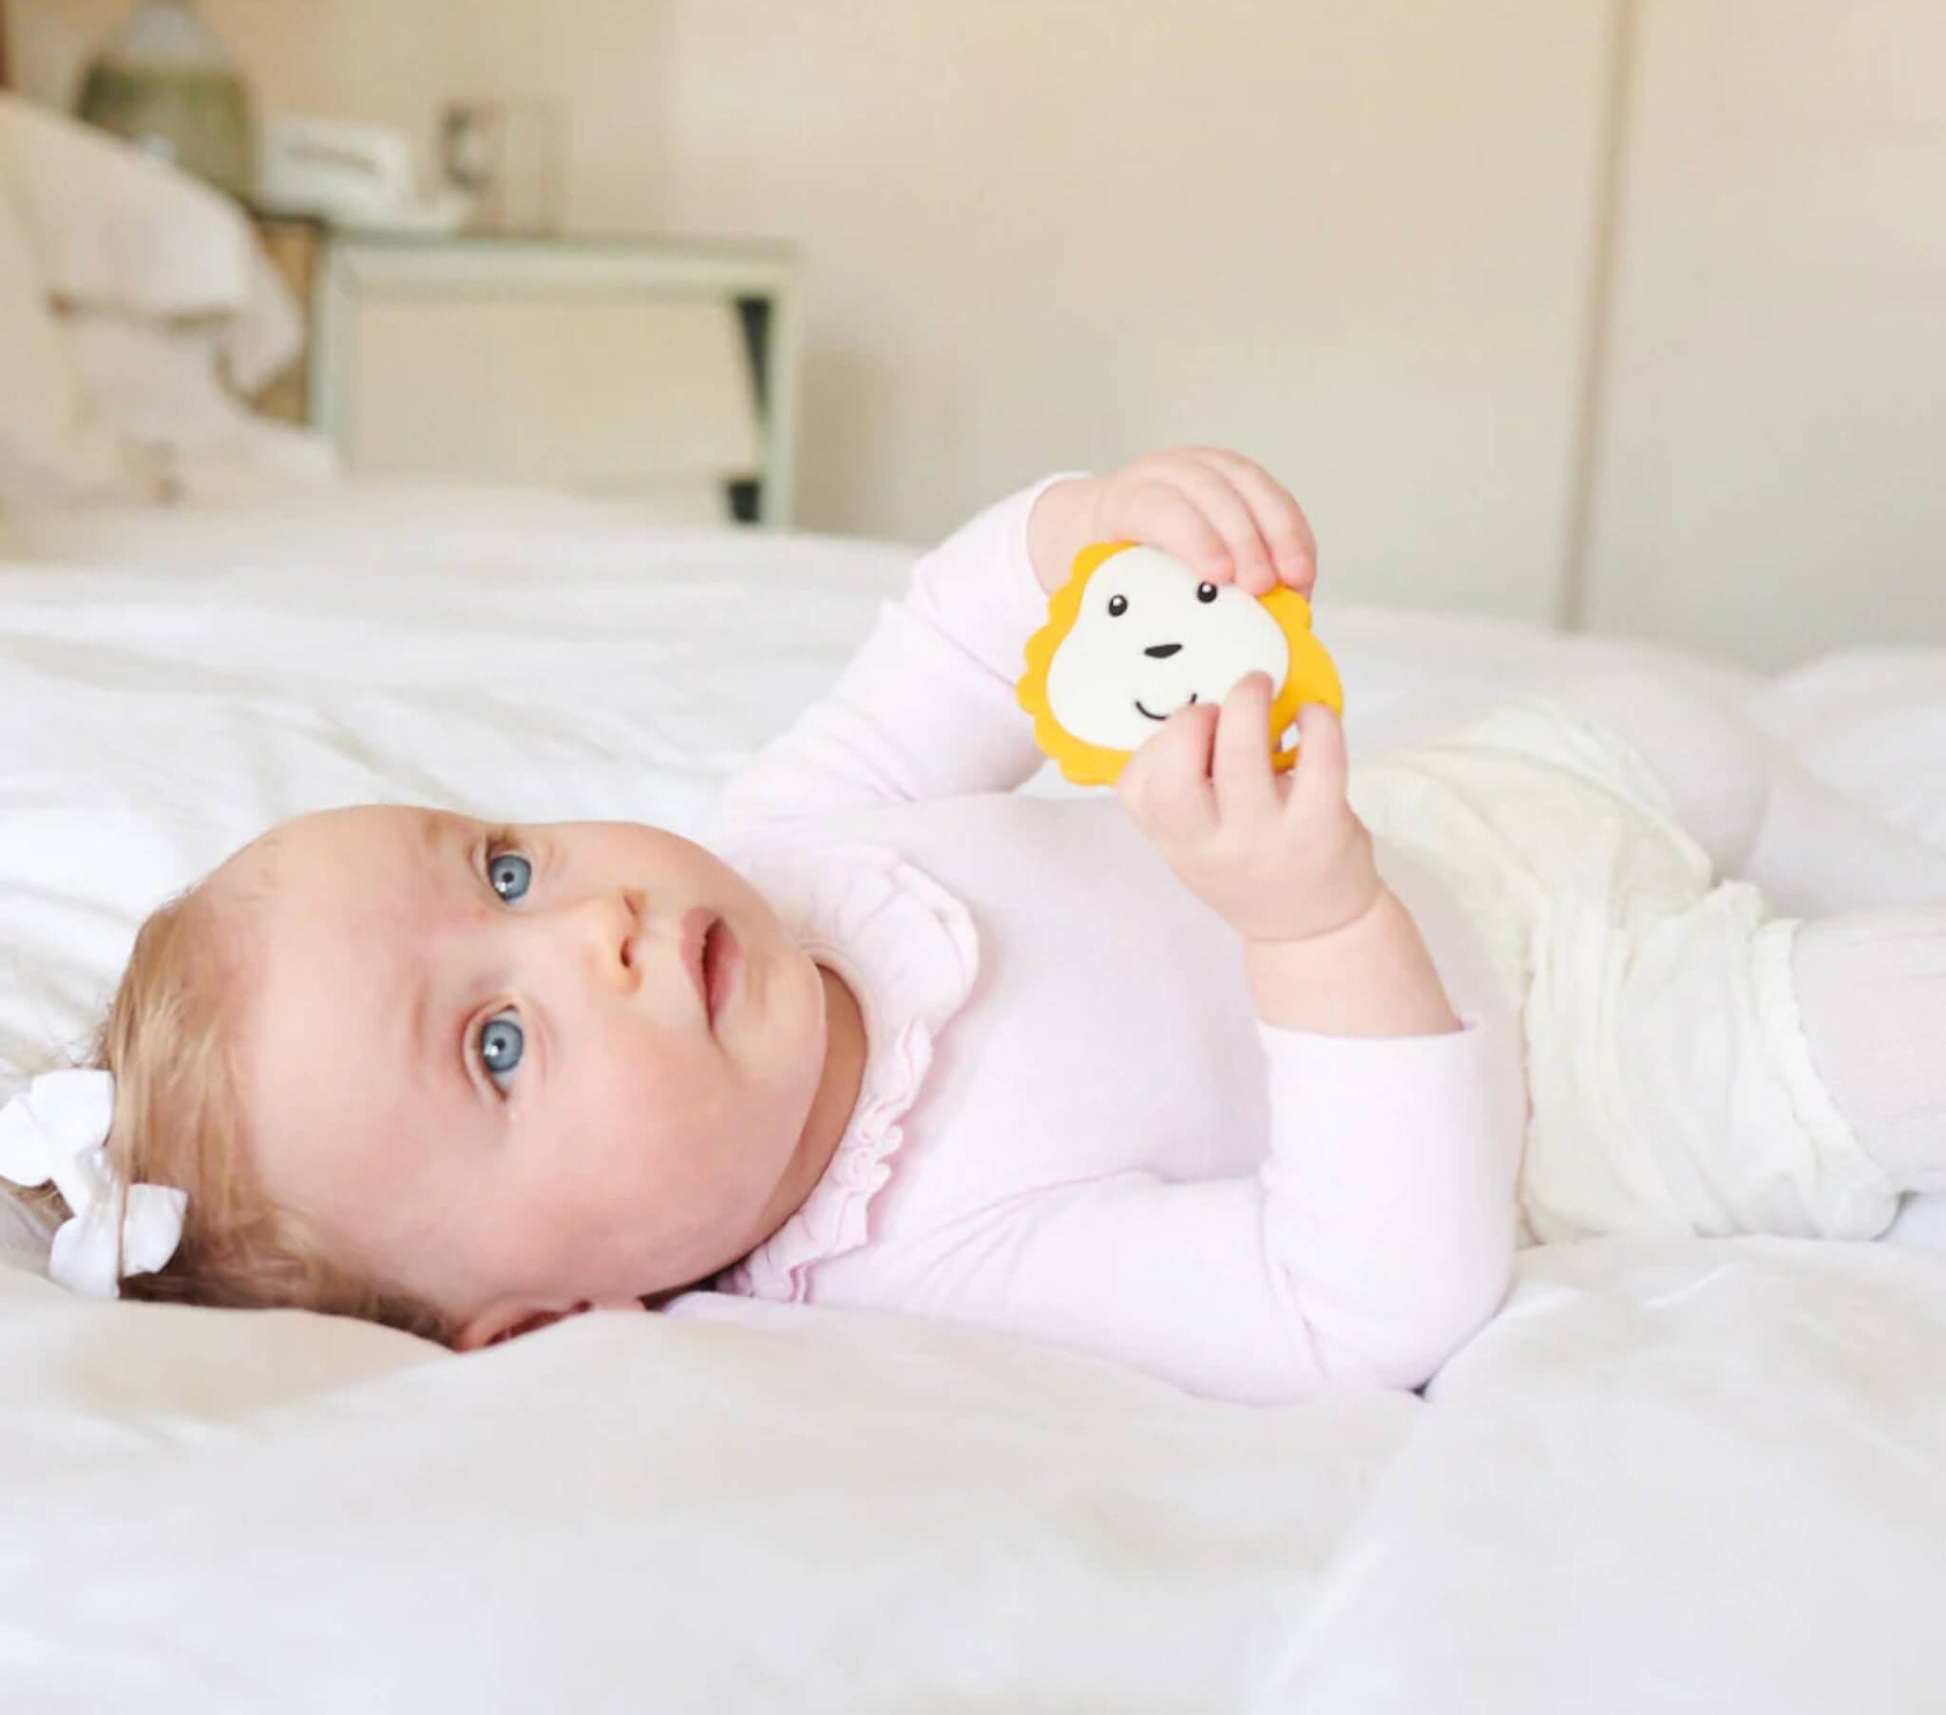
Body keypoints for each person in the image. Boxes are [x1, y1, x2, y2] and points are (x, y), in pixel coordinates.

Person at [9, 450, 1945, 1403]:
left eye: (501, 867)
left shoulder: (778, 851)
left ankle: (1882, 843)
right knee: (1893, 1028)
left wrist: (1088, 522)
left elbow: (949, 640)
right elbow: (1361, 1298)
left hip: (1462, 820)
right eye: (496, 1046)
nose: (587, 928)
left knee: (1689, 731)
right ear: (551, 1318)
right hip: (1571, 1076)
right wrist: (1309, 920)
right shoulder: (932, 1253)